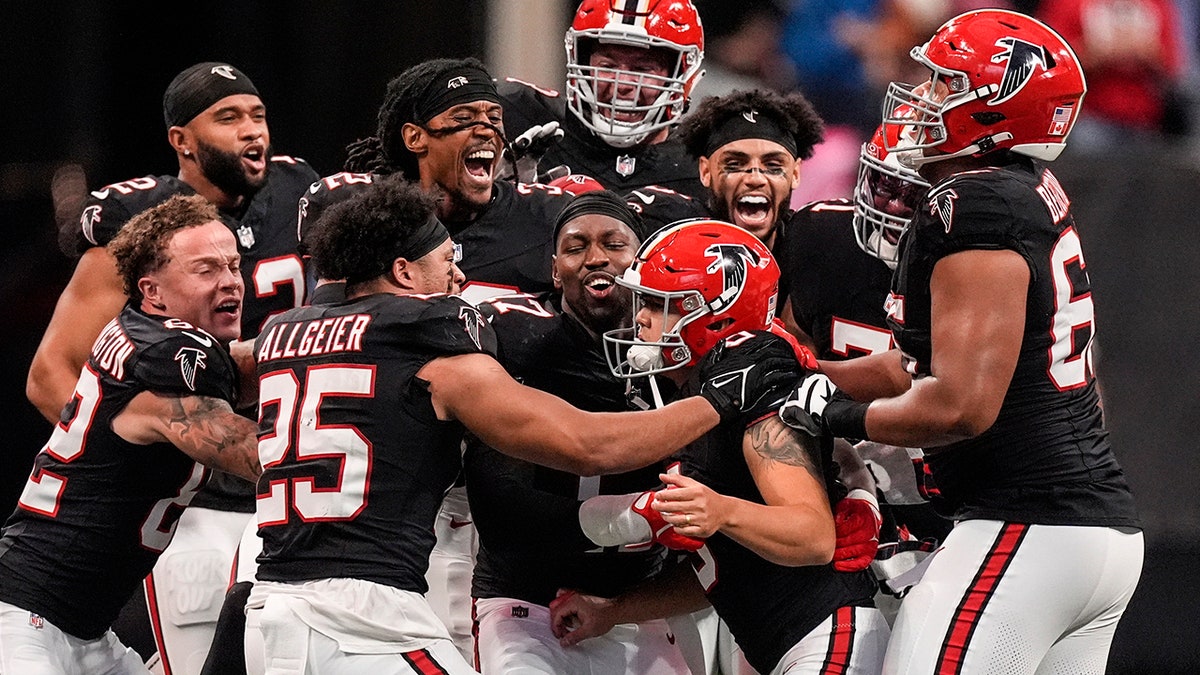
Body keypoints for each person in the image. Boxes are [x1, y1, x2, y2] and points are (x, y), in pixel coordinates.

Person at [241, 174, 798, 674]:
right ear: (405, 272)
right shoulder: (434, 341)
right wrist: (719, 401)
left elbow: (222, 373)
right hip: (364, 615)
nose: (461, 275)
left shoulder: (284, 332)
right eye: (446, 260)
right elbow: (588, 445)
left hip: (272, 600)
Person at [779, 10, 1144, 673]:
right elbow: (914, 365)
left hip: (1024, 525)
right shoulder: (1027, 189)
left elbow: (959, 408)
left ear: (996, 108)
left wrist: (829, 412)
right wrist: (803, 374)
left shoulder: (973, 205)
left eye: (946, 85)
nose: (924, 95)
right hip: (1087, 533)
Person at [24, 61, 318, 675]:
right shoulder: (157, 343)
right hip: (187, 505)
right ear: (150, 289)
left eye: (258, 115)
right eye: (228, 117)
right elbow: (52, 372)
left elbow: (251, 359)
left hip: (94, 614)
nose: (251, 131)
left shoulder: (299, 195)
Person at [550, 219, 889, 674]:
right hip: (793, 643)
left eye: (658, 303)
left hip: (828, 635)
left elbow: (812, 536)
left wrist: (723, 511)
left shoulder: (754, 393)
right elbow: (723, 571)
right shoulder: (699, 395)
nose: (641, 318)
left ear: (714, 314)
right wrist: (614, 610)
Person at [0, 195, 263, 675]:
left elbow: (245, 366)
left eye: (233, 265)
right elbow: (255, 454)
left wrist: (322, 336)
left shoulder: (163, 335)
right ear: (154, 291)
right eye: (206, 270)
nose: (229, 281)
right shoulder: (163, 356)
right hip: (25, 616)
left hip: (87, 631)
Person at [466, 190, 701, 674]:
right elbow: (503, 510)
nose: (596, 257)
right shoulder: (511, 335)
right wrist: (639, 517)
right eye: (576, 247)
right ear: (555, 271)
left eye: (613, 243)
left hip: (633, 600)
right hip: (524, 597)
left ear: (642, 260)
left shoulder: (684, 348)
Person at [778, 119, 950, 622]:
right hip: (846, 483)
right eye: (885, 186)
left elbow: (907, 375)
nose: (894, 206)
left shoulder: (973, 264)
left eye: (913, 195)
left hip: (949, 493)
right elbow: (792, 340)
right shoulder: (820, 237)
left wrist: (816, 380)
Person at [304, 57, 572, 303]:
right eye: (464, 119)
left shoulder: (548, 214)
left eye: (494, 117)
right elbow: (325, 327)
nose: (486, 130)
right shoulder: (357, 212)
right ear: (415, 138)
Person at [499, 0, 708, 199]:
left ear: (683, 76)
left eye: (643, 69)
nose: (623, 85)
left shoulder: (709, 160)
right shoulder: (518, 113)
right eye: (607, 66)